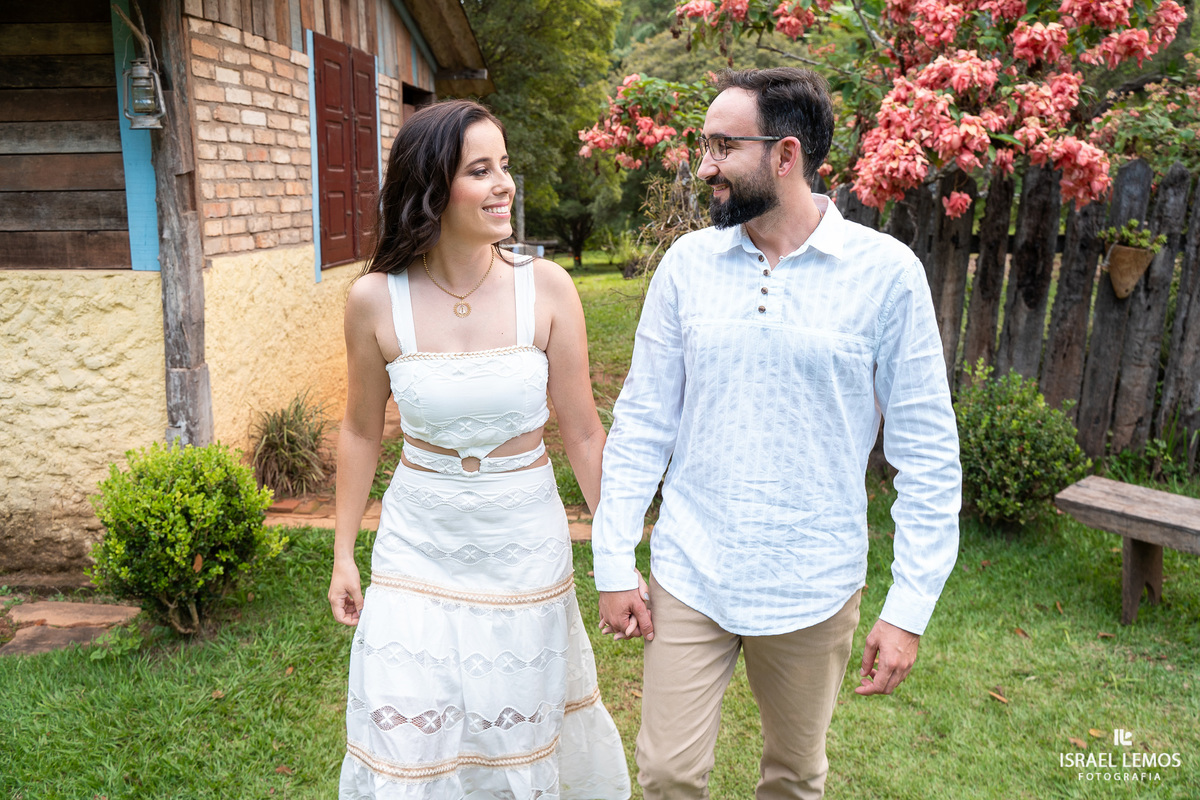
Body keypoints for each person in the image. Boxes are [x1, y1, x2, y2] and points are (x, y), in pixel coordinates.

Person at [591, 68, 961, 800]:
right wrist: (612, 557)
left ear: (785, 155)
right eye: (705, 146)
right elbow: (641, 424)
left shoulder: (886, 275)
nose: (705, 167)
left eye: (723, 147)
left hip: (813, 578)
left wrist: (909, 608)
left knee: (794, 779)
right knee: (666, 775)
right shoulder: (686, 268)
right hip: (692, 568)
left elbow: (927, 452)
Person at [328, 99, 631, 800]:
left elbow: (583, 433)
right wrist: (345, 552)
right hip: (416, 545)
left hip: (523, 544)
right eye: (481, 170)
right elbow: (360, 429)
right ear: (434, 188)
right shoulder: (376, 299)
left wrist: (617, 555)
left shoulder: (547, 290)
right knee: (406, 727)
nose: (505, 185)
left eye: (505, 167)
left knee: (511, 735)